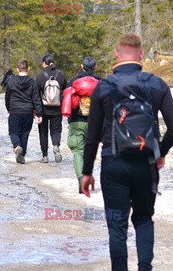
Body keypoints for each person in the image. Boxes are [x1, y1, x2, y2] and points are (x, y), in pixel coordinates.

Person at [82, 33, 173, 271]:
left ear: (116, 55)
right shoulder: (157, 84)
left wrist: (87, 171)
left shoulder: (103, 87)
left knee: (117, 223)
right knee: (143, 219)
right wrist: (159, 152)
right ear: (141, 55)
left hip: (113, 163)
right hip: (146, 164)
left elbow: (91, 136)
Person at [65, 56, 101, 193]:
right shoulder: (100, 82)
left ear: (82, 66)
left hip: (76, 122)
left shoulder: (73, 82)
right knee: (90, 151)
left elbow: (65, 99)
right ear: (95, 67)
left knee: (78, 152)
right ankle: (88, 175)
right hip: (94, 123)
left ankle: (81, 178)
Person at [5, 59, 42, 164]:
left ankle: (16, 146)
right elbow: (36, 98)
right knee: (25, 134)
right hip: (28, 111)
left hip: (15, 110)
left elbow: (7, 96)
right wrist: (38, 113)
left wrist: (8, 107)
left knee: (13, 132)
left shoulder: (12, 80)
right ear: (28, 69)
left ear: (17, 69)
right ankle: (22, 155)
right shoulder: (32, 82)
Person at [36, 54, 67, 163]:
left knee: (43, 132)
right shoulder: (61, 75)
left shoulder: (40, 76)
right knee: (56, 130)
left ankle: (45, 156)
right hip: (57, 108)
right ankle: (56, 145)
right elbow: (65, 91)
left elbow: (36, 95)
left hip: (43, 109)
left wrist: (37, 111)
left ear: (44, 63)